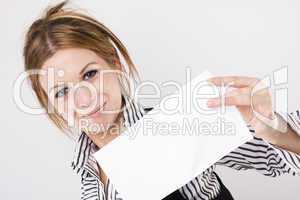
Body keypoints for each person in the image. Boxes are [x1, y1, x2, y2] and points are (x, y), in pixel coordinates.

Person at [22, 1, 300, 199]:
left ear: (114, 62)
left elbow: (274, 159)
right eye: (61, 91)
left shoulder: (178, 125)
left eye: (90, 74)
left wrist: (275, 129)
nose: (83, 99)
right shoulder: (86, 169)